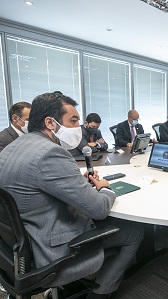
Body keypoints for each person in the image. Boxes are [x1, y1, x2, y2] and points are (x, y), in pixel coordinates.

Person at [0, 92, 143, 299]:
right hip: (48, 252)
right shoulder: (51, 153)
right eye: (73, 120)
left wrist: (77, 184)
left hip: (14, 248)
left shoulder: (11, 148)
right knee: (135, 232)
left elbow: (35, 187)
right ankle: (100, 294)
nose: (78, 127)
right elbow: (99, 209)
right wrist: (104, 188)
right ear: (50, 122)